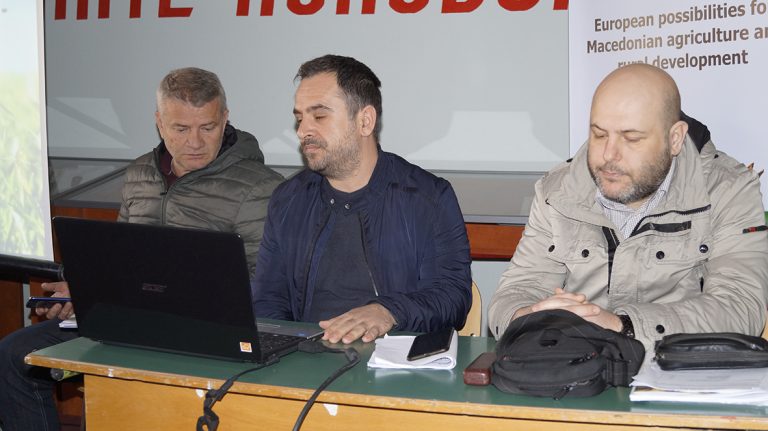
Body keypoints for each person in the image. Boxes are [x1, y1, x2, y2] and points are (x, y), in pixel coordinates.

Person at [0, 67, 283, 431]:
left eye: (207, 127)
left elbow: (263, 285)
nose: (195, 142)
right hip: (129, 321)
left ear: (225, 119)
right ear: (159, 123)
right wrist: (87, 292)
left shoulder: (259, 187)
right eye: (180, 129)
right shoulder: (139, 175)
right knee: (12, 355)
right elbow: (120, 262)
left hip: (204, 332)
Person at [488, 64, 768, 351]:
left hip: (678, 369)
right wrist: (529, 317)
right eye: (599, 134)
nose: (609, 154)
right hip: (576, 365)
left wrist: (621, 326)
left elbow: (739, 308)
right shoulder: (557, 190)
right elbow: (514, 293)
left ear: (675, 138)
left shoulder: (728, 190)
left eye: (631, 138)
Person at [251, 54, 472, 344]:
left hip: (391, 359)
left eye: (319, 116)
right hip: (306, 357)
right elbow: (268, 301)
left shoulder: (428, 198)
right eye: (300, 118)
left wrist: (388, 311)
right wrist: (284, 351)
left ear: (365, 121)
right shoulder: (288, 200)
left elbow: (452, 297)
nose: (303, 130)